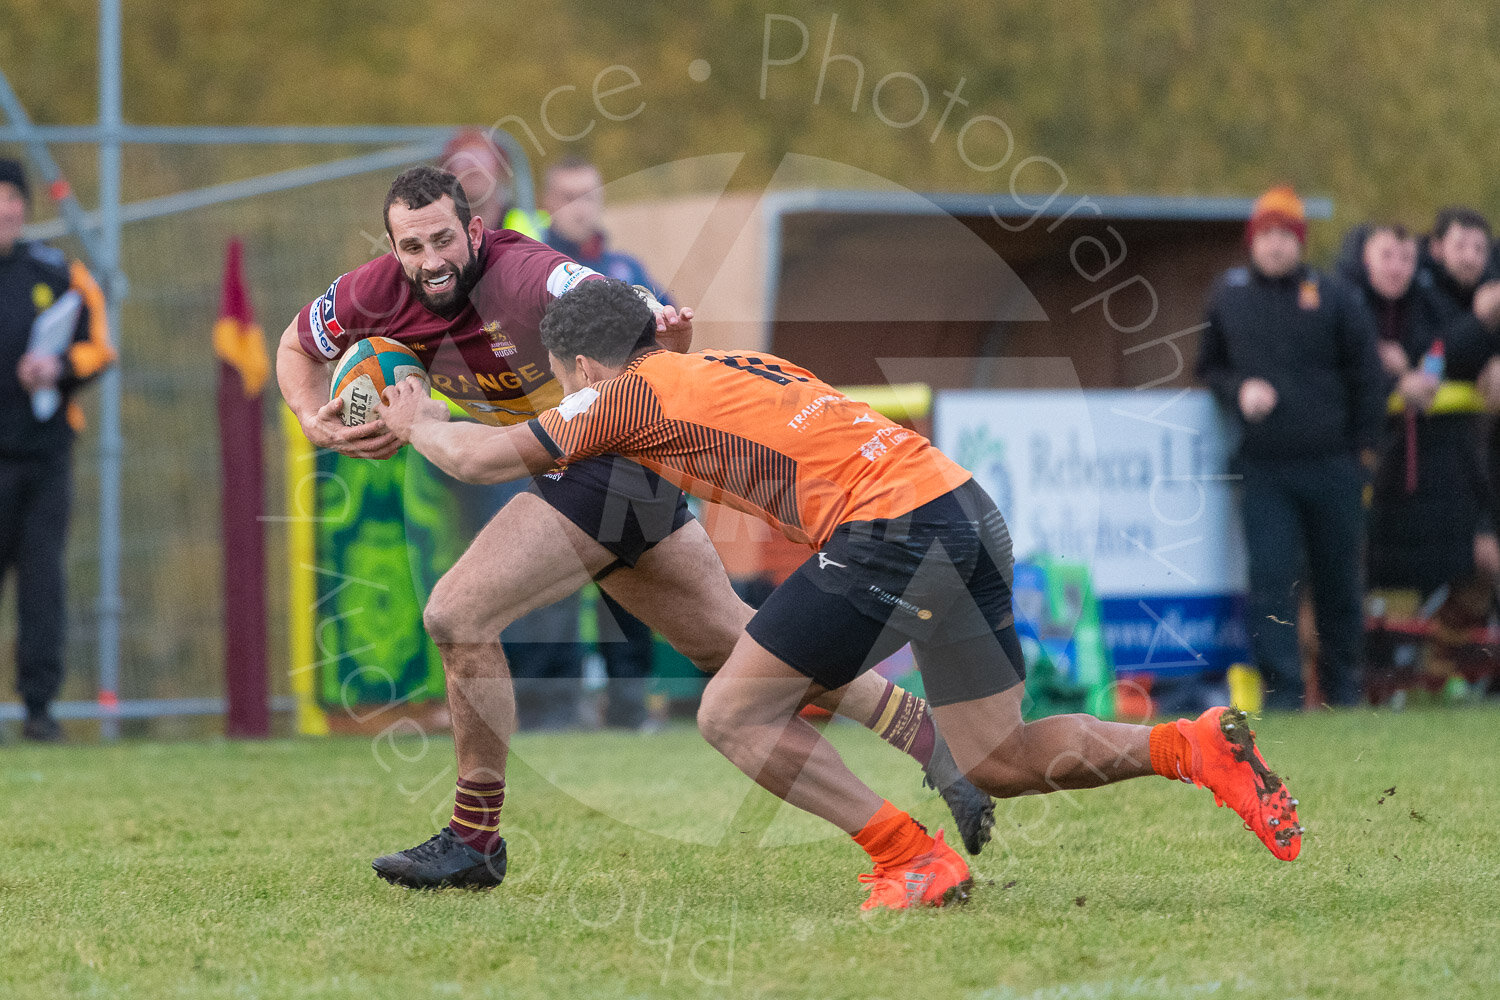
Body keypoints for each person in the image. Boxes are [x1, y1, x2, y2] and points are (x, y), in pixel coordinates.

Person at [378, 278, 1305, 912]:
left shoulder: (620, 394)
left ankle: (910, 857)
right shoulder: (738, 365)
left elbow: (475, 456)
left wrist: (411, 415)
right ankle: (1190, 746)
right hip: (966, 510)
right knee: (998, 760)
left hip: (892, 531)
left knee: (732, 714)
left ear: (581, 367)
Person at [273, 166, 994, 888]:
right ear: (392, 245)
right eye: (411, 246)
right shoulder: (369, 291)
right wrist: (313, 419)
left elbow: (595, 303)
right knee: (738, 644)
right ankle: (931, 739)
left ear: (473, 230)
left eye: (442, 241)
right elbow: (295, 347)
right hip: (596, 468)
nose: (431, 260)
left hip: (597, 460)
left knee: (457, 614)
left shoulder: (523, 271)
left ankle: (474, 838)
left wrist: (650, 317)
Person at [1196, 186, 1385, 710]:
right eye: (1267, 235)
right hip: (1265, 471)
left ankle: (1344, 691)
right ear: (1251, 241)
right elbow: (1208, 367)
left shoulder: (1334, 296)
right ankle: (1284, 694)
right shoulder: (1229, 296)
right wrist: (1240, 390)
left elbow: (1368, 377)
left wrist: (1364, 456)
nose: (1276, 246)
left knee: (1339, 583)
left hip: (1334, 468)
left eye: (1286, 235)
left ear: (1300, 242)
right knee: (1273, 582)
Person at [442, 131, 584, 731]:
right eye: (461, 169)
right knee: (496, 574)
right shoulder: (437, 254)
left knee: (556, 568)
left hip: (549, 422)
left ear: (500, 175)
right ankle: (511, 703)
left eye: (481, 167)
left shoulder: (533, 235)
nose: (473, 178)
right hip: (488, 427)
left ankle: (556, 704)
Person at [540, 155, 670, 728]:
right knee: (550, 578)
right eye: (568, 195)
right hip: (553, 444)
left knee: (631, 577)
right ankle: (550, 705)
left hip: (623, 447)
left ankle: (628, 704)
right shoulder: (530, 270)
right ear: (548, 202)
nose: (580, 206)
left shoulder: (625, 269)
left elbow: (663, 338)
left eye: (589, 194)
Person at [0, 158, 115, 742]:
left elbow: (100, 347)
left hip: (45, 459)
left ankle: (39, 710)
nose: (6, 210)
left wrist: (59, 366)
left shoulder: (57, 272)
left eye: (13, 200)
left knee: (43, 586)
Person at [1337, 222, 1499, 599]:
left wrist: (1490, 356)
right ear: (1365, 258)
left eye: (1406, 258)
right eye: (1387, 257)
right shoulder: (1342, 305)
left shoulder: (1428, 303)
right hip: (1361, 462)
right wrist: (1391, 380)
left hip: (1429, 467)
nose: (1397, 268)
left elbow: (1439, 357)